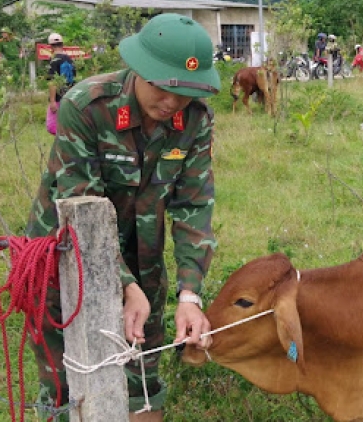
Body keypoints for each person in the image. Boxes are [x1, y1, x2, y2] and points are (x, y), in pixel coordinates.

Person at [25, 13, 220, 421]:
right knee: (69, 384)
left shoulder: (195, 121)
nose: (171, 103)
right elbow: (80, 202)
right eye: (163, 88)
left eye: (183, 93)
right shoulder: (87, 107)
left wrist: (190, 295)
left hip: (141, 262)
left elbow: (193, 207)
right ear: (139, 69)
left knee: (141, 381)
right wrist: (123, 287)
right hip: (63, 265)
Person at [45, 33, 76, 135]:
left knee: (52, 126)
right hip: (71, 97)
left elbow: (52, 82)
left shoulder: (54, 61)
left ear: (51, 47)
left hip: (59, 98)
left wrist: (53, 100)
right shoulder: (70, 60)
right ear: (62, 45)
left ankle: (63, 144)